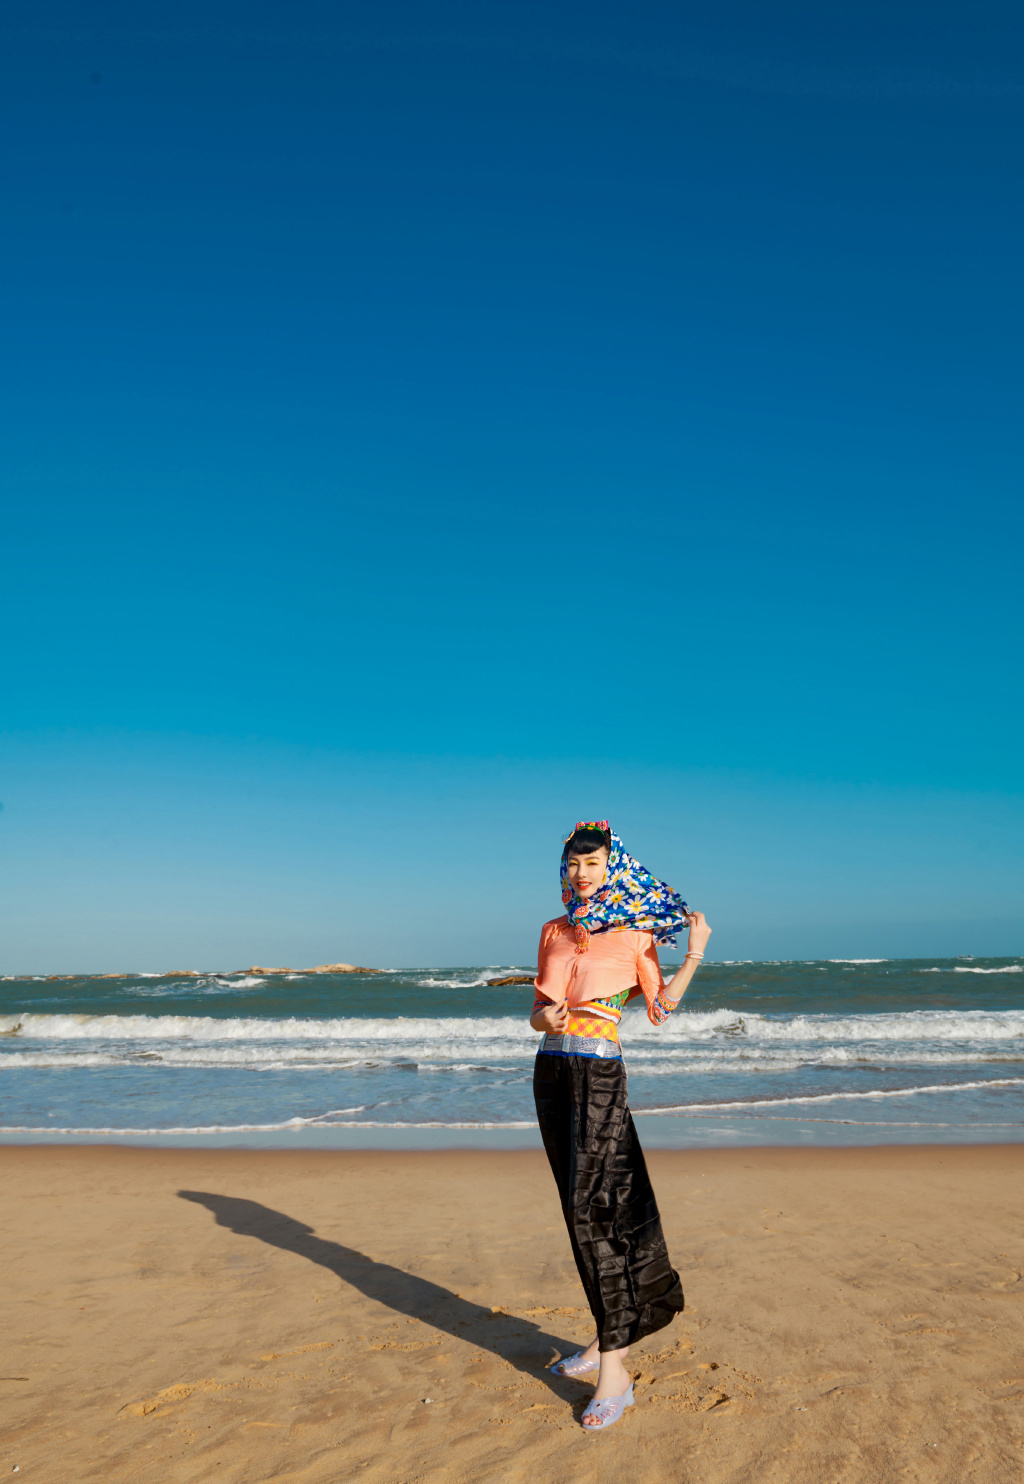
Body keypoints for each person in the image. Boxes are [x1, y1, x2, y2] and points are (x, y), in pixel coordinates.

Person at [531, 820, 712, 1431]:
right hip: (551, 1075)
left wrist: (695, 954)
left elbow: (658, 1010)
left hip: (601, 1078)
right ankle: (604, 1337)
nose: (582, 873)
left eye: (593, 863)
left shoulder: (634, 936)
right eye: (573, 865)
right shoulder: (554, 931)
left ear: (613, 866)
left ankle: (617, 1368)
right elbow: (537, 1014)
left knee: (597, 1210)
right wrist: (547, 1017)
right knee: (575, 1211)